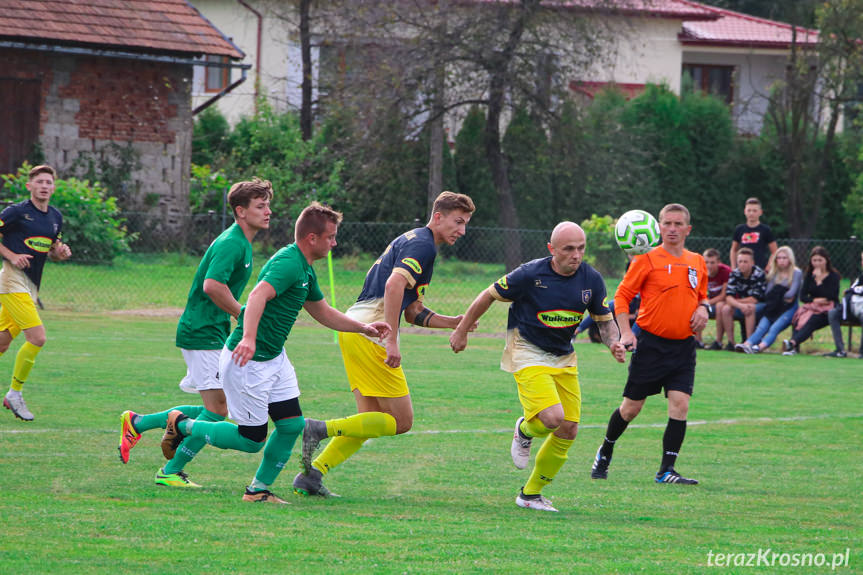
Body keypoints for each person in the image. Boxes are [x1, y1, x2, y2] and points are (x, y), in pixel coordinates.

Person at [158, 202, 391, 503]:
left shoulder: (304, 267)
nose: (335, 243)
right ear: (312, 238)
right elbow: (257, 296)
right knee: (251, 440)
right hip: (249, 360)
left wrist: (363, 328)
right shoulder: (288, 262)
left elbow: (322, 311)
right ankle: (183, 424)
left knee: (291, 425)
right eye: (331, 237)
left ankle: (257, 491)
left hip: (275, 359)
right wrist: (250, 338)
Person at [293, 191, 475, 497]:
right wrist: (391, 338)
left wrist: (451, 321)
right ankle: (318, 429)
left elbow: (412, 309)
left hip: (357, 328)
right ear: (439, 216)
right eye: (458, 221)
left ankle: (312, 476)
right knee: (401, 421)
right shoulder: (423, 245)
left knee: (368, 421)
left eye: (466, 224)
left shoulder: (415, 240)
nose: (462, 230)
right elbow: (393, 285)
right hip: (372, 333)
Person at [450, 222, 625, 512]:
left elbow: (604, 321)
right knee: (553, 417)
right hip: (525, 351)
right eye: (569, 249)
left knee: (568, 429)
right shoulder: (530, 274)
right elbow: (488, 295)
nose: (576, 255)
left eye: (581, 248)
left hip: (563, 356)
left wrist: (614, 343)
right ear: (551, 249)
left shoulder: (591, 279)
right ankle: (525, 430)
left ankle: (530, 494)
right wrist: (462, 330)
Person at [117, 178, 273, 487]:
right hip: (201, 332)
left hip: (211, 332)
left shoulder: (241, 242)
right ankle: (169, 471)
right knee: (217, 410)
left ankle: (138, 423)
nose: (268, 211)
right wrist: (243, 314)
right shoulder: (232, 242)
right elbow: (212, 286)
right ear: (241, 211)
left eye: (268, 204)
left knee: (216, 408)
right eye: (260, 206)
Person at [591, 203, 708, 485]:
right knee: (631, 408)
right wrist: (626, 333)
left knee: (680, 405)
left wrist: (705, 309)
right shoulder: (646, 259)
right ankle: (605, 450)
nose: (672, 228)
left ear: (687, 229)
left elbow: (702, 296)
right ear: (658, 227)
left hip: (683, 348)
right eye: (667, 223)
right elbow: (620, 298)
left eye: (678, 224)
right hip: (651, 345)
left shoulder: (697, 261)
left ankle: (666, 470)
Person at [0, 164, 72, 422]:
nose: (44, 186)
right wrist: (12, 255)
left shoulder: (55, 217)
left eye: (48, 182)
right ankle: (14, 394)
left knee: (2, 342)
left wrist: (60, 253)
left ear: (53, 187)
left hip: (31, 286)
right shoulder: (16, 212)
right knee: (38, 337)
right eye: (39, 182)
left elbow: (53, 249)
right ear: (29, 186)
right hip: (11, 281)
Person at [736, 246, 801, 354]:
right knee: (761, 327)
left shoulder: (796, 273)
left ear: (790, 259)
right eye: (779, 258)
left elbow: (791, 294)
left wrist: (778, 291)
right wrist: (780, 292)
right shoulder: (774, 273)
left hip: (788, 308)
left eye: (785, 258)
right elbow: (768, 293)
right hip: (773, 306)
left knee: (774, 328)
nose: (782, 261)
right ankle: (747, 345)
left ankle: (759, 347)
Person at [782, 246, 840, 356]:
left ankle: (792, 343)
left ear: (826, 260)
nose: (817, 263)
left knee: (812, 319)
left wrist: (819, 280)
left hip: (828, 310)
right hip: (813, 306)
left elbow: (831, 296)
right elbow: (803, 297)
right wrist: (814, 300)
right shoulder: (809, 275)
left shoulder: (833, 276)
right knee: (798, 316)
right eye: (814, 260)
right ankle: (794, 347)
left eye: (820, 260)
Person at [718, 248, 766, 350]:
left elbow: (755, 299)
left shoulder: (759, 274)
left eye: (745, 261)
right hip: (740, 305)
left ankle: (748, 343)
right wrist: (740, 305)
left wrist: (736, 303)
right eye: (740, 261)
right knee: (726, 309)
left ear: (752, 262)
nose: (742, 264)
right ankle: (731, 343)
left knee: (750, 307)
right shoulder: (735, 273)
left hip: (759, 305)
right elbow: (728, 297)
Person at [825, 250, 863, 358]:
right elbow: (850, 289)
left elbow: (853, 290)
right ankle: (840, 350)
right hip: (852, 309)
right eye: (862, 260)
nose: (862, 262)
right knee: (833, 313)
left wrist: (854, 291)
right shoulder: (861, 277)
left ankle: (862, 352)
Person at [730, 197, 777, 271]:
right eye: (749, 210)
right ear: (745, 211)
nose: (751, 213)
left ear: (760, 212)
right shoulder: (739, 229)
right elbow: (734, 250)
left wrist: (768, 267)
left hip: (760, 270)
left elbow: (774, 251)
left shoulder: (766, 230)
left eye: (754, 211)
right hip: (742, 270)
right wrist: (733, 267)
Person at [698, 248, 730, 350]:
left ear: (718, 262)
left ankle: (718, 342)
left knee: (720, 306)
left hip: (720, 302)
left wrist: (705, 304)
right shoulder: (700, 272)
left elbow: (723, 295)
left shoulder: (725, 271)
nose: (709, 265)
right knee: (695, 306)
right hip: (708, 302)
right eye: (706, 262)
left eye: (712, 262)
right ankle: (697, 341)